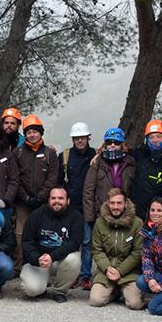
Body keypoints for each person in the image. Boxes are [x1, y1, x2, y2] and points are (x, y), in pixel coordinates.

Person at [14, 114, 60, 272]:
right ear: (25, 134)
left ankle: (43, 267)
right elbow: (15, 177)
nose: (32, 135)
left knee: (43, 234)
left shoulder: (49, 153)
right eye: (28, 132)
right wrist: (25, 197)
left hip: (43, 202)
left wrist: (40, 197)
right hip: (23, 202)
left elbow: (53, 177)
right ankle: (18, 267)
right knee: (20, 234)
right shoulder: (18, 152)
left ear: (41, 133)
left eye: (35, 131)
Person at [20, 187, 83, 302]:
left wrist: (52, 257)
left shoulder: (76, 217)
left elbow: (74, 243)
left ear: (68, 201)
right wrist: (36, 258)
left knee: (74, 259)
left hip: (60, 261)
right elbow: (26, 241)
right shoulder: (37, 215)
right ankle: (41, 288)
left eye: (61, 198)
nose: (57, 201)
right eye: (53, 198)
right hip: (39, 262)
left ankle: (59, 291)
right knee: (32, 290)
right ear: (48, 200)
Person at [89, 189, 144, 310]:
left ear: (125, 204)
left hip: (128, 272)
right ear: (108, 203)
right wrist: (107, 268)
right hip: (106, 271)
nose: (115, 206)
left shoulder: (137, 223)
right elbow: (97, 250)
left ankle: (123, 290)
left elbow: (137, 252)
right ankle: (115, 292)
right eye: (112, 203)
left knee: (135, 304)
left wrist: (120, 271)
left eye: (119, 203)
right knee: (95, 300)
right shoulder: (100, 222)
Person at [59, 122, 95, 288]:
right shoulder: (64, 156)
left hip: (88, 206)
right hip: (70, 208)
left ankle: (85, 276)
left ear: (88, 138)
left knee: (87, 242)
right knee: (70, 242)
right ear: (73, 139)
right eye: (77, 138)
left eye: (82, 138)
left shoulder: (95, 155)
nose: (80, 141)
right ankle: (70, 275)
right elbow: (59, 182)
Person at [83, 128, 135, 226]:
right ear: (105, 145)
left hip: (125, 216)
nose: (112, 145)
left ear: (122, 144)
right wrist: (90, 218)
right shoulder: (97, 162)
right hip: (101, 215)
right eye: (109, 142)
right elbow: (88, 191)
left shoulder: (130, 162)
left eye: (116, 142)